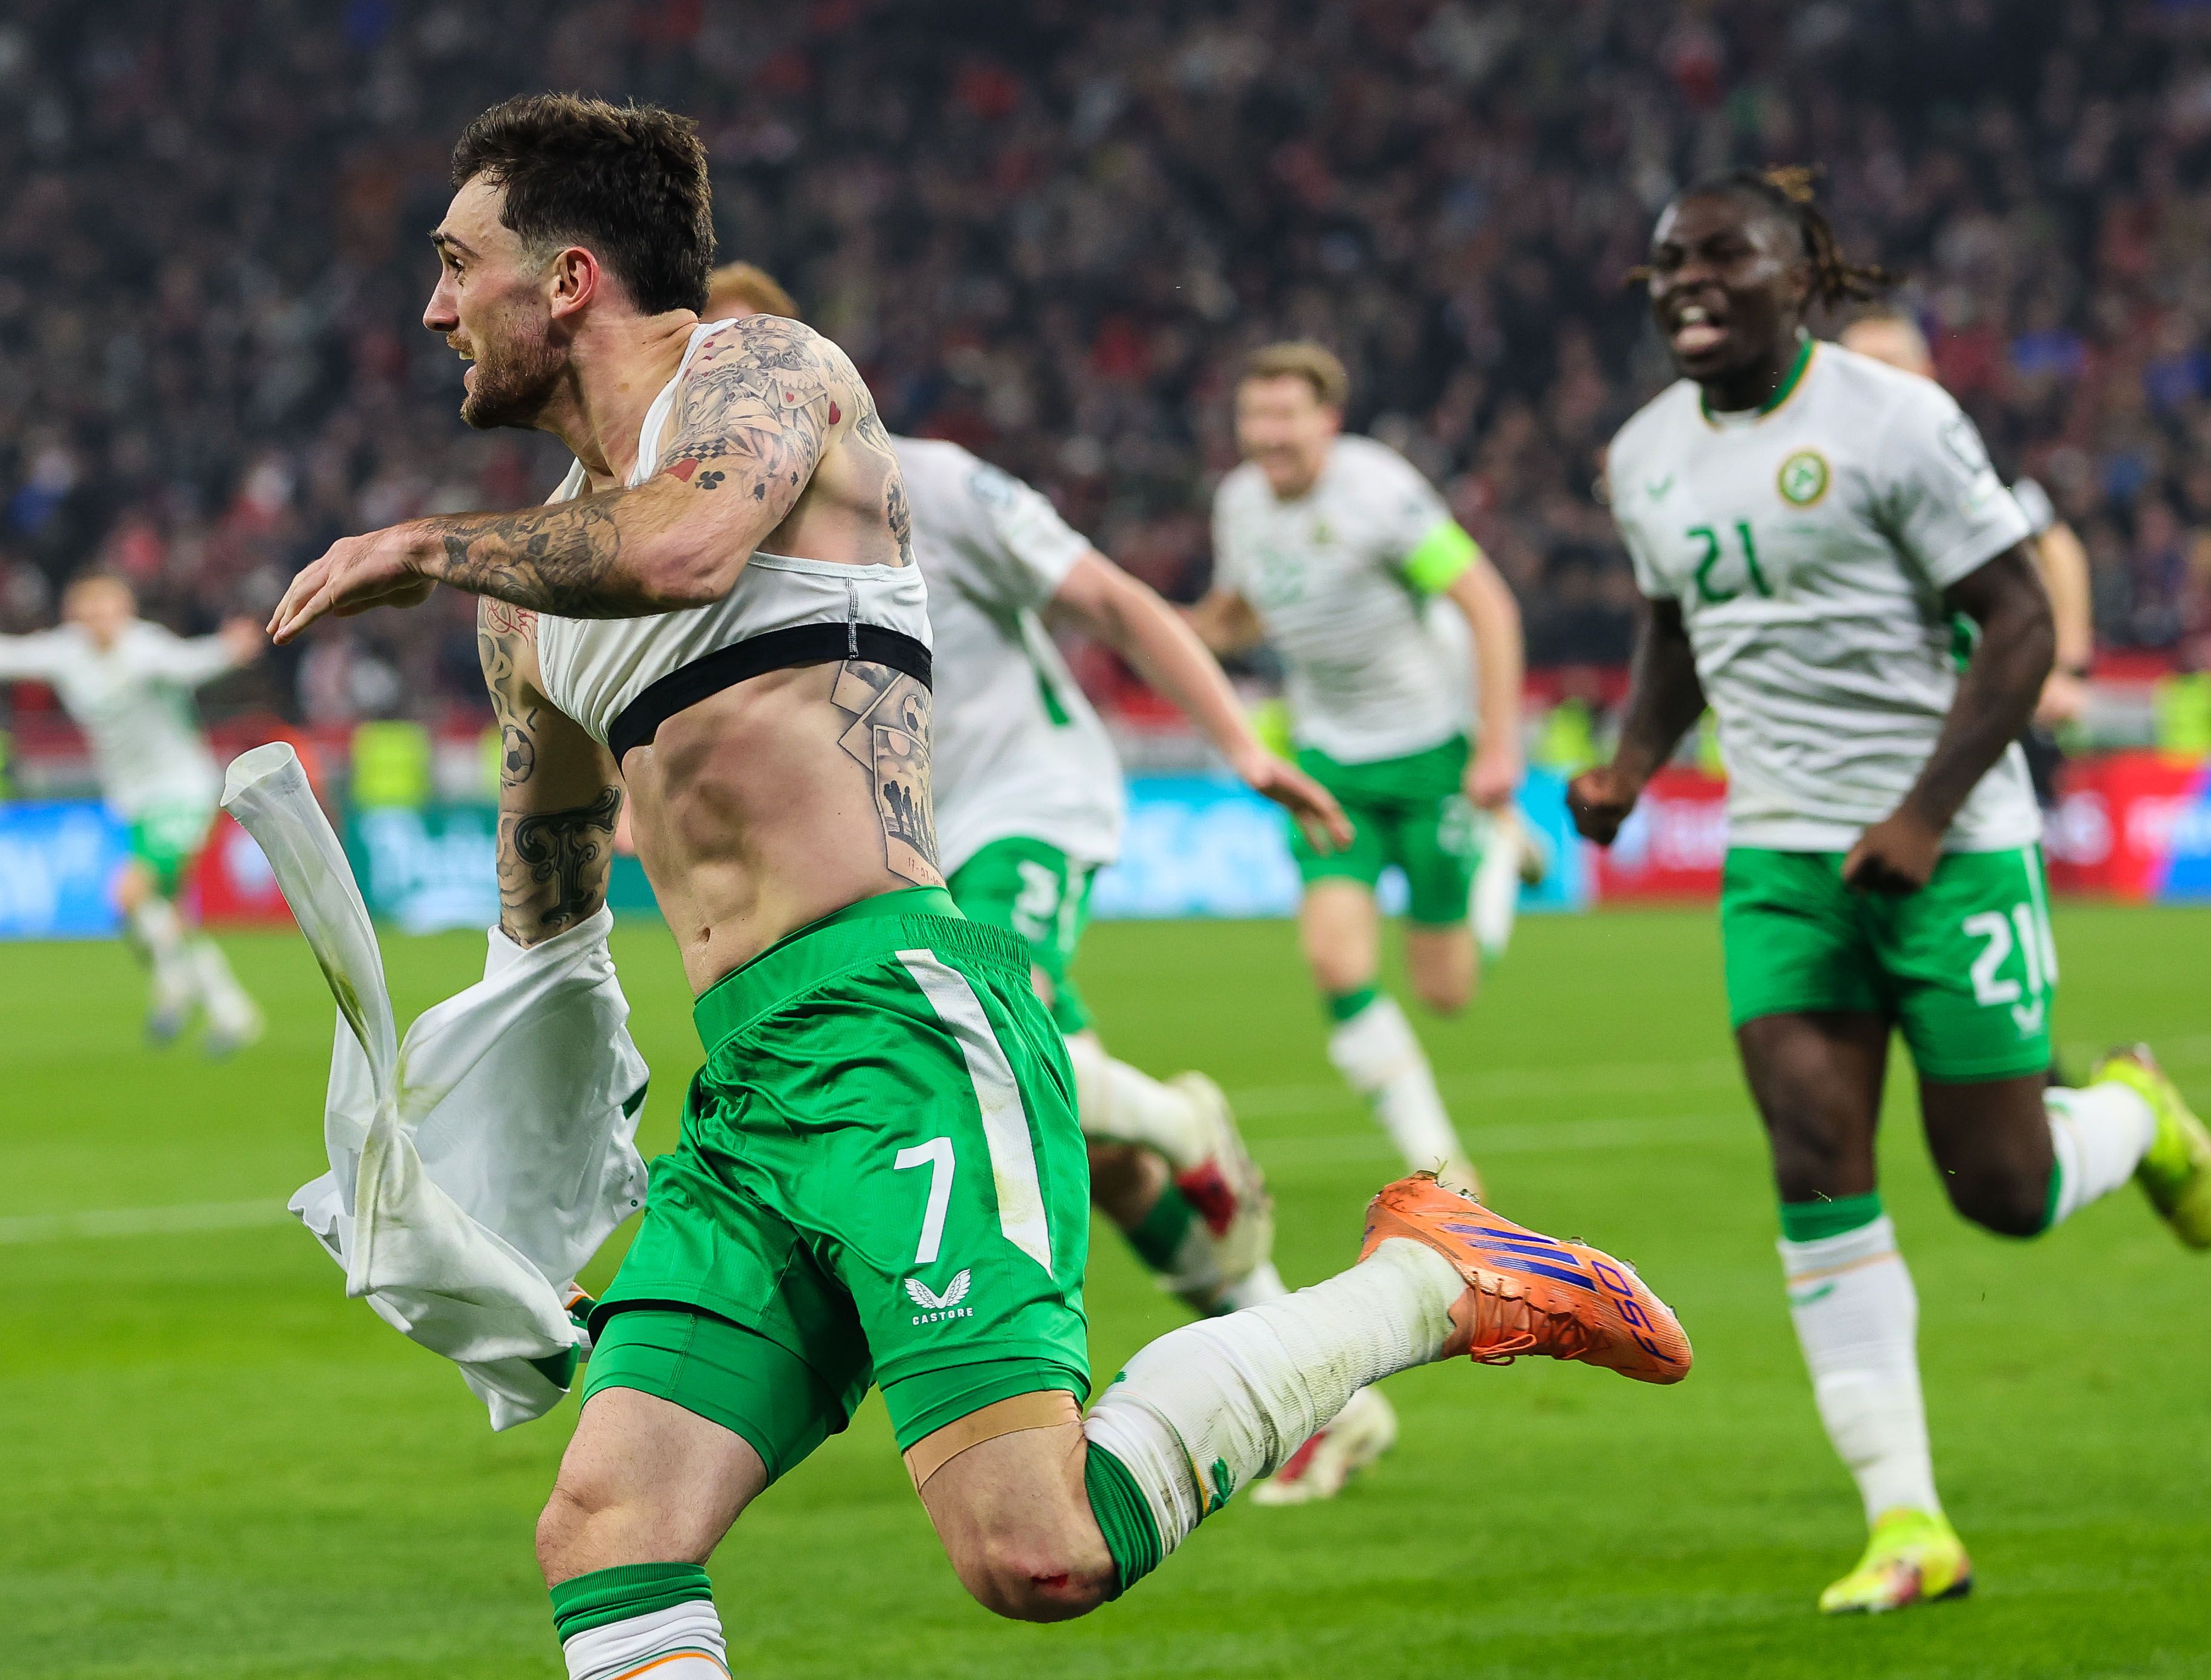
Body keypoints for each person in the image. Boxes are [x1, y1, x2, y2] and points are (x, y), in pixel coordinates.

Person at [271, 94, 1692, 1675]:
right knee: (606, 1525)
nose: (433, 309)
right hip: (746, 1096)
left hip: (898, 1018)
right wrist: (467, 1171)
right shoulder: (526, 597)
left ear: (570, 277)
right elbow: (549, 897)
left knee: (1036, 1551)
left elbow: (681, 548)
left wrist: (422, 544)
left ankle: (1432, 1279)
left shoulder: (764, 375)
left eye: (454, 263)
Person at [1572, 166, 2210, 1617]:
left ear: (1798, 278)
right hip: (1779, 861)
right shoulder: (1646, 453)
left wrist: (1923, 812)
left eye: (1721, 256)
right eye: (1668, 260)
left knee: (2001, 1189)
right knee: (1812, 1155)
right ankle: (1905, 1518)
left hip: (1953, 848)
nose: (1686, 281)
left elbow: (2020, 621)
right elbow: (1675, 624)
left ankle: (2132, 1115)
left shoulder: (1893, 421)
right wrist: (1630, 764)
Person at [702, 262, 1400, 1504]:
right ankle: (1324, 1392)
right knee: (1098, 1149)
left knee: (992, 1037)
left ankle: (1184, 1122)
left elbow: (1112, 600)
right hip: (896, 852)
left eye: (748, 363)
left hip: (1024, 806)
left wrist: (1241, 746)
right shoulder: (706, 536)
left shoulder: (934, 481)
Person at [1190, 342, 1531, 1197]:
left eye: (1285, 415)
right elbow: (1237, 617)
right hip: (1328, 762)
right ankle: (1446, 1169)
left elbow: (1487, 605)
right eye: (1254, 415)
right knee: (1337, 965)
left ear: (1328, 422)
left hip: (1428, 753)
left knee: (1445, 990)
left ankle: (1496, 855)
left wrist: (1497, 747)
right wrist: (1148, 627)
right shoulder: (1239, 504)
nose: (1267, 434)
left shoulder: (1379, 493)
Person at [0, 576, 267, 1052]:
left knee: (130, 894)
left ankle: (210, 1001)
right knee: (160, 912)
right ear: (76, 617)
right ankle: (207, 998)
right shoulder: (67, 652)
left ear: (126, 610)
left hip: (181, 791)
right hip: (135, 800)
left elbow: (188, 663)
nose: (100, 621)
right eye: (89, 612)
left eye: (108, 610)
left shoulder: (147, 649)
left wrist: (228, 649)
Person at [1838, 309, 2097, 805]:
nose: (1875, 382)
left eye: (1889, 364)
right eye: (1859, 369)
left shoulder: (1964, 457)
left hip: (1972, 698)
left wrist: (2067, 668)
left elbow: (2057, 546)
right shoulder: (1814, 471)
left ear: (1925, 373)